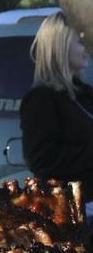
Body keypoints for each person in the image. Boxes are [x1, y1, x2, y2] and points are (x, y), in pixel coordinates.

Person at [20, 11, 93, 201]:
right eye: (80, 41)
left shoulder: (84, 94)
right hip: (72, 209)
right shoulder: (41, 99)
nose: (88, 47)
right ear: (60, 45)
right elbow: (41, 160)